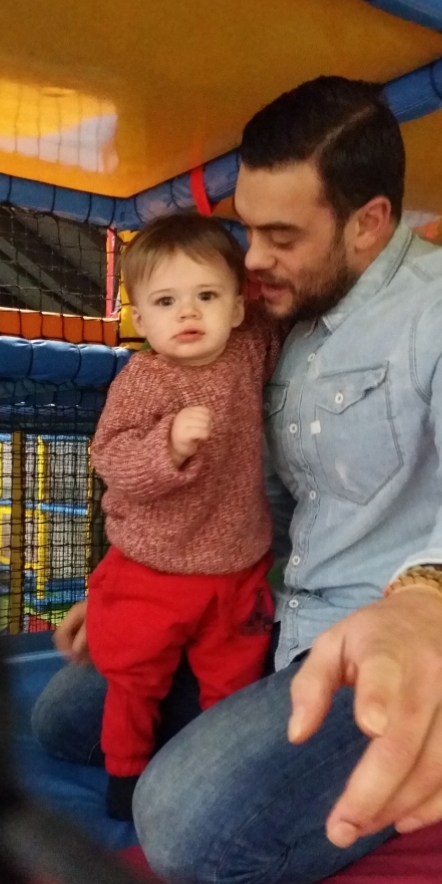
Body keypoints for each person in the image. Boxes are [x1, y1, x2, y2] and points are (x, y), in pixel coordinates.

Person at [32, 76, 442, 884]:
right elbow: (248, 492)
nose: (251, 259)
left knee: (185, 824)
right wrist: (138, 578)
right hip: (265, 613)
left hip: (383, 640)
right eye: (246, 228)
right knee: (65, 718)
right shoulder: (273, 324)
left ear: (368, 221)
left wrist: (441, 601)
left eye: (281, 235)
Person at [86, 213, 288, 819]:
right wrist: (167, 446)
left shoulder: (247, 349)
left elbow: (279, 312)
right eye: (166, 302)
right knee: (134, 681)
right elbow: (110, 457)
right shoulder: (146, 379)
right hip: (153, 569)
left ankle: (214, 773)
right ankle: (125, 776)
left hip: (236, 565)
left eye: (206, 296)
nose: (188, 313)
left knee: (233, 681)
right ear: (140, 319)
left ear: (236, 307)